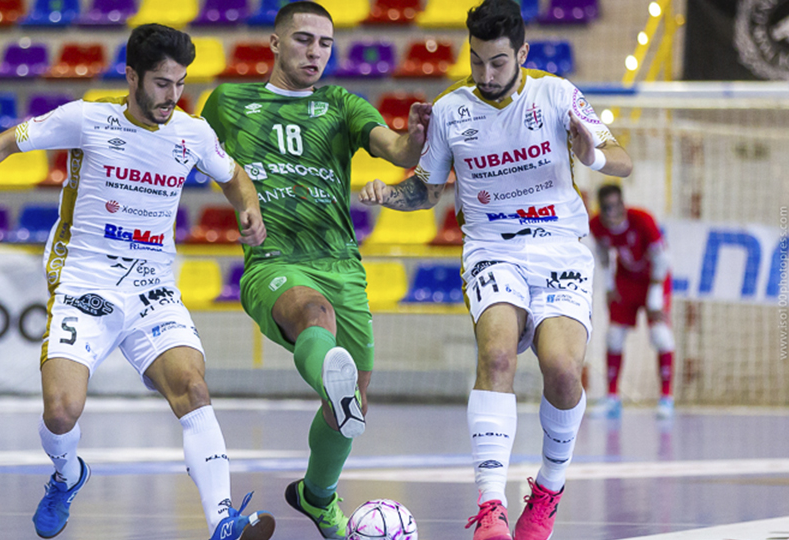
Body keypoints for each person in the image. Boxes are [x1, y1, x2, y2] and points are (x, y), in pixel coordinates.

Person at [0, 24, 275, 540]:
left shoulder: (193, 133)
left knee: (192, 387)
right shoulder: (89, 118)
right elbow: (8, 141)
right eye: (162, 83)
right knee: (61, 410)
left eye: (181, 83)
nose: (173, 96)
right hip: (83, 280)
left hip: (151, 286)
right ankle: (66, 475)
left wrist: (249, 209)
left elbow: (233, 176)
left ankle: (222, 522)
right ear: (133, 76)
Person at [358, 1, 633, 539]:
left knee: (561, 371)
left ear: (522, 54)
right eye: (478, 60)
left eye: (499, 63)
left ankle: (548, 491)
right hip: (490, 247)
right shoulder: (451, 109)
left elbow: (621, 157)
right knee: (498, 353)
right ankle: (491, 508)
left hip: (560, 247)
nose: (487, 75)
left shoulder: (556, 95)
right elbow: (427, 189)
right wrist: (388, 194)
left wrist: (593, 155)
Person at [199, 3, 430, 538]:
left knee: (352, 406)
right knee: (312, 315)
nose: (315, 52)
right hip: (273, 260)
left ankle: (316, 495)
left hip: (341, 263)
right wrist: (240, 206)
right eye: (303, 40)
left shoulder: (340, 104)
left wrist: (414, 137)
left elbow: (396, 150)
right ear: (276, 43)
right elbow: (181, 151)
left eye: (325, 43)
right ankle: (331, 375)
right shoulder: (229, 102)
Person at [589, 184, 675, 419]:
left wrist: (655, 295)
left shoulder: (643, 220)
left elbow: (662, 258)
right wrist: (608, 286)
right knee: (614, 335)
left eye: (616, 206)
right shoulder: (596, 226)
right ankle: (612, 398)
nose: (612, 212)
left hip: (653, 278)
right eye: (607, 207)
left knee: (660, 335)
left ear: (623, 205)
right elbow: (604, 257)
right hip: (626, 280)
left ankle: (666, 398)